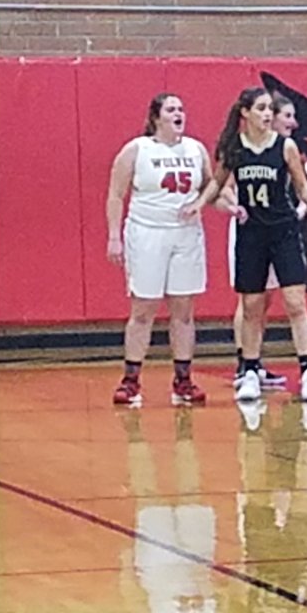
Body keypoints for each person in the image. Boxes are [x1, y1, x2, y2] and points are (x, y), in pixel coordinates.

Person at [201, 86, 307, 403]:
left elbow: (302, 186)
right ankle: (249, 371)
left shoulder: (285, 147)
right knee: (251, 307)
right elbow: (217, 183)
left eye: (270, 108)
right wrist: (199, 204)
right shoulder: (236, 148)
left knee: (295, 302)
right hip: (251, 233)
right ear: (245, 112)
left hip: (283, 230)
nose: (267, 114)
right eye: (261, 108)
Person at [105, 93, 211, 407]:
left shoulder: (196, 149)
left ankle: (183, 380)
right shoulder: (137, 149)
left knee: (183, 309)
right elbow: (115, 194)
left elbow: (211, 186)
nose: (179, 113)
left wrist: (223, 203)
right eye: (171, 109)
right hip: (147, 232)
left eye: (182, 108)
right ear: (156, 117)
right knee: (143, 309)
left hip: (186, 234)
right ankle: (131, 380)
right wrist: (114, 236)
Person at [221, 94, 303, 392]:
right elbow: (224, 185)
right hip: (249, 226)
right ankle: (244, 363)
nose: (292, 122)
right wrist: (235, 205)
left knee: (267, 299)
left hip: (277, 228)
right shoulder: (242, 149)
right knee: (250, 300)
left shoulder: (282, 148)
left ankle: (255, 363)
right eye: (287, 116)